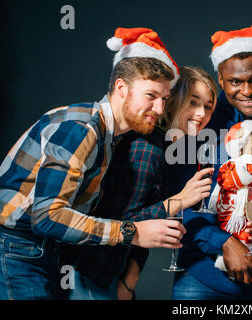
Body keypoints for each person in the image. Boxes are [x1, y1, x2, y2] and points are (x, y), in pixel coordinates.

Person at [0, 27, 188, 300]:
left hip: (45, 252)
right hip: (17, 248)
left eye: (164, 99)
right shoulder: (83, 128)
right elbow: (47, 217)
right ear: (121, 88)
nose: (159, 109)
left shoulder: (110, 137)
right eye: (151, 96)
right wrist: (132, 232)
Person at [58, 65, 214, 299]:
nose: (201, 113)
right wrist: (179, 201)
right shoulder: (146, 146)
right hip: (90, 270)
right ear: (173, 101)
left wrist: (131, 279)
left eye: (208, 106)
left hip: (111, 274)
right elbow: (125, 222)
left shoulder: (166, 146)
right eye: (193, 102)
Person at [169, 24, 252, 300]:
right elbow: (176, 201)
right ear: (221, 81)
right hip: (202, 279)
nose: (247, 90)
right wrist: (223, 242)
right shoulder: (200, 119)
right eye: (235, 82)